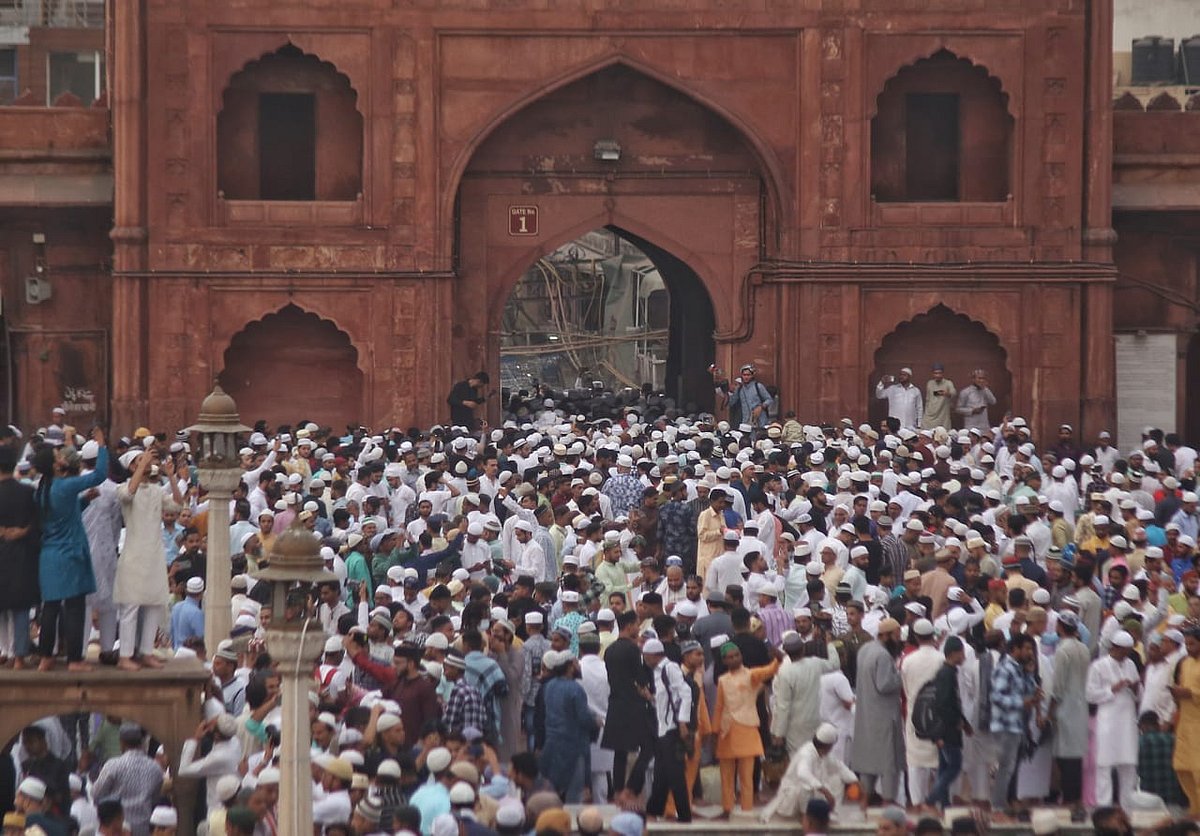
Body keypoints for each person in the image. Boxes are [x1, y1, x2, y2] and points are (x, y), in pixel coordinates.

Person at [31, 426, 109, 671]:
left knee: (51, 608)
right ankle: (75, 659)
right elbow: (98, 476)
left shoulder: (42, 490)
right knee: (75, 607)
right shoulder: (64, 486)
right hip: (71, 554)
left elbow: (61, 515)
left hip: (49, 556)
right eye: (58, 458)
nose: (62, 458)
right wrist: (102, 446)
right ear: (54, 466)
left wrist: (85, 501)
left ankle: (46, 656)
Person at [115, 445, 182, 669]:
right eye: (139, 461)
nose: (145, 463)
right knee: (131, 606)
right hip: (134, 554)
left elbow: (178, 504)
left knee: (154, 604)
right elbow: (128, 494)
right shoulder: (122, 487)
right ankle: (125, 655)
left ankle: (145, 652)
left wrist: (171, 476)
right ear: (131, 466)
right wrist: (143, 463)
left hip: (154, 554)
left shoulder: (156, 490)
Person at [712, 639, 780, 816]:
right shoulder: (722, 680)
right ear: (724, 661)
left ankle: (746, 810)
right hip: (726, 732)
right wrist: (714, 732)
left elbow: (770, 670)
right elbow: (719, 707)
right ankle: (727, 809)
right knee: (726, 776)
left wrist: (778, 659)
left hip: (747, 729)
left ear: (741, 656)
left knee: (746, 777)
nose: (734, 659)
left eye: (736, 655)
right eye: (730, 657)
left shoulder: (751, 675)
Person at [850, 618, 904, 806]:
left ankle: (865, 800)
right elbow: (884, 684)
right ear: (886, 636)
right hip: (883, 717)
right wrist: (900, 676)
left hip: (866, 715)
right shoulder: (883, 655)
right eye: (896, 637)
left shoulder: (865, 649)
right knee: (889, 763)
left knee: (868, 763)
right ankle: (888, 801)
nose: (898, 641)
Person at [1086, 629, 1140, 810]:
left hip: (1127, 721)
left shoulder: (1131, 664)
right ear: (1115, 648)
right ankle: (1104, 808)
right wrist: (1112, 690)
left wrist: (1135, 688)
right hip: (1107, 721)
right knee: (1105, 765)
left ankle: (1128, 807)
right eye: (1125, 650)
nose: (1127, 654)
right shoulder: (1098, 666)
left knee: (1128, 765)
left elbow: (1139, 692)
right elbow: (1090, 695)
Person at [988, 633, 1040, 820]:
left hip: (1018, 725)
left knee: (1013, 766)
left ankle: (1008, 801)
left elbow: (1030, 691)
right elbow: (997, 697)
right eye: (1026, 648)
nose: (1029, 652)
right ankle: (998, 806)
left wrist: (1030, 674)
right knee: (1005, 767)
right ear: (1015, 649)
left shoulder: (1020, 669)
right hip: (1005, 725)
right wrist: (1021, 703)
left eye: (1031, 649)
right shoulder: (1005, 669)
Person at [760, 723, 857, 821]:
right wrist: (825, 791)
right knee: (806, 786)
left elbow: (839, 767)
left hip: (811, 798)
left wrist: (856, 781)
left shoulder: (822, 753)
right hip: (790, 799)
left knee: (837, 779)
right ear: (828, 746)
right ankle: (806, 819)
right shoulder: (806, 753)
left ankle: (831, 813)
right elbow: (803, 774)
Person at [642, 638, 692, 822]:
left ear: (655, 655)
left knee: (675, 774)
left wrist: (682, 722)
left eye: (646, 656)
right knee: (662, 774)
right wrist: (651, 698)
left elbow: (685, 693)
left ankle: (685, 815)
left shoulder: (669, 668)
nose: (645, 659)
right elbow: (665, 701)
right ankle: (653, 810)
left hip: (672, 728)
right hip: (663, 729)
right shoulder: (657, 672)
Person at [0, 444, 39, 669]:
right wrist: (22, 531)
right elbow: (38, 522)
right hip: (22, 553)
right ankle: (20, 656)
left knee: (2, 607)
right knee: (21, 607)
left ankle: (4, 650)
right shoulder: (27, 491)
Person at [92, 723, 165, 836]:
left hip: (118, 828)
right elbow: (154, 800)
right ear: (141, 742)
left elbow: (96, 794)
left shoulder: (113, 765)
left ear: (122, 743)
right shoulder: (155, 768)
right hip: (143, 828)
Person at [926, 636, 970, 811]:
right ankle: (931, 799)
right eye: (961, 652)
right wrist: (956, 722)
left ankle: (944, 804)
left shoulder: (949, 672)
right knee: (954, 766)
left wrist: (965, 723)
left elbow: (953, 702)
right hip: (947, 730)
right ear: (954, 653)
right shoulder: (946, 674)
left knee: (944, 768)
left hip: (947, 729)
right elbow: (943, 704)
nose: (963, 656)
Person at [1171, 627, 1200, 817]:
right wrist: (1177, 693)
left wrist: (1190, 693)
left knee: (1198, 767)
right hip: (1185, 722)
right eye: (1186, 644)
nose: (1188, 648)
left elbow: (1191, 691)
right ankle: (1195, 807)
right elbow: (1181, 687)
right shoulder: (1185, 663)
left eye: (1192, 644)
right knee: (1181, 765)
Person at [921, 364, 956, 430]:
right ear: (933, 374)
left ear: (943, 373)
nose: (938, 375)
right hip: (930, 412)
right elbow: (928, 398)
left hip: (942, 413)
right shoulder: (930, 383)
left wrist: (947, 393)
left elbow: (953, 393)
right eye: (935, 373)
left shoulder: (948, 383)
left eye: (939, 373)